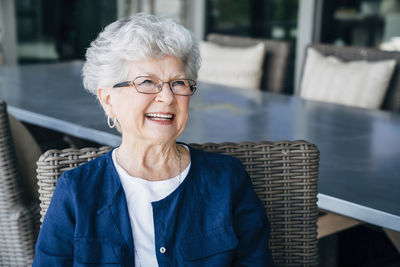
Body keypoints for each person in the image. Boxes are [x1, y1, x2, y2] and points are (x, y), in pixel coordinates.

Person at [33, 13, 274, 266]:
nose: (168, 97)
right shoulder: (77, 191)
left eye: (178, 82)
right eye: (147, 82)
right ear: (107, 99)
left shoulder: (227, 180)